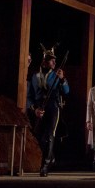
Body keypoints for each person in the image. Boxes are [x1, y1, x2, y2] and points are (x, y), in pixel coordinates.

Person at [26, 44, 69, 177]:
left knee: (50, 136)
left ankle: (45, 165)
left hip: (53, 107)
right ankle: (51, 157)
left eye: (55, 60)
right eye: (51, 60)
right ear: (44, 61)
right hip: (39, 108)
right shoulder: (35, 76)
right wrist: (35, 110)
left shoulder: (56, 75)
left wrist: (62, 79)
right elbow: (29, 97)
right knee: (39, 137)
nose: (54, 62)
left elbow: (66, 91)